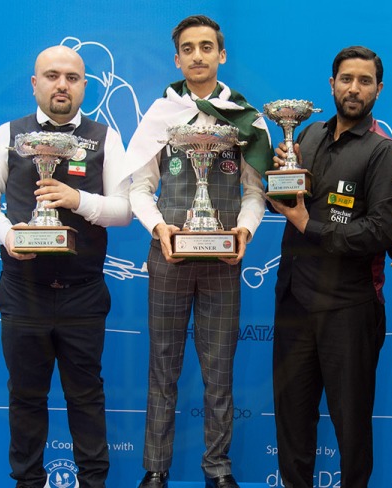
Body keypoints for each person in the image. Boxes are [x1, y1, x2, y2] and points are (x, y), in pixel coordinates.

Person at [0, 45, 131, 488]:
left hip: (83, 291)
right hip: (23, 291)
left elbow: (124, 210)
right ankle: (27, 483)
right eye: (52, 76)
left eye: (73, 78)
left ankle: (93, 483)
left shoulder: (105, 138)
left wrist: (77, 200)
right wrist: (8, 235)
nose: (62, 85)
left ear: (84, 86)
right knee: (25, 397)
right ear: (35, 84)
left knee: (86, 398)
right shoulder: (9, 133)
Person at [124, 14, 271, 488]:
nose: (198, 56)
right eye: (188, 49)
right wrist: (159, 228)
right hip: (168, 256)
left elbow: (255, 192)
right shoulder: (161, 115)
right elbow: (140, 188)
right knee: (162, 365)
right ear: (178, 58)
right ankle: (155, 469)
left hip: (224, 261)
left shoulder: (246, 117)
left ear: (221, 54)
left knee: (218, 368)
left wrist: (244, 234)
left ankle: (218, 468)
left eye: (207, 47)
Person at [266, 45, 392, 488]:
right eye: (346, 78)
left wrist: (309, 224)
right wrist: (280, 189)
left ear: (378, 90)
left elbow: (379, 233)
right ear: (331, 84)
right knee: (292, 418)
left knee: (351, 424)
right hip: (294, 300)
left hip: (349, 306)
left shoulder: (385, 153)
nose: (354, 88)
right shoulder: (305, 137)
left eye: (365, 81)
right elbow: (287, 205)